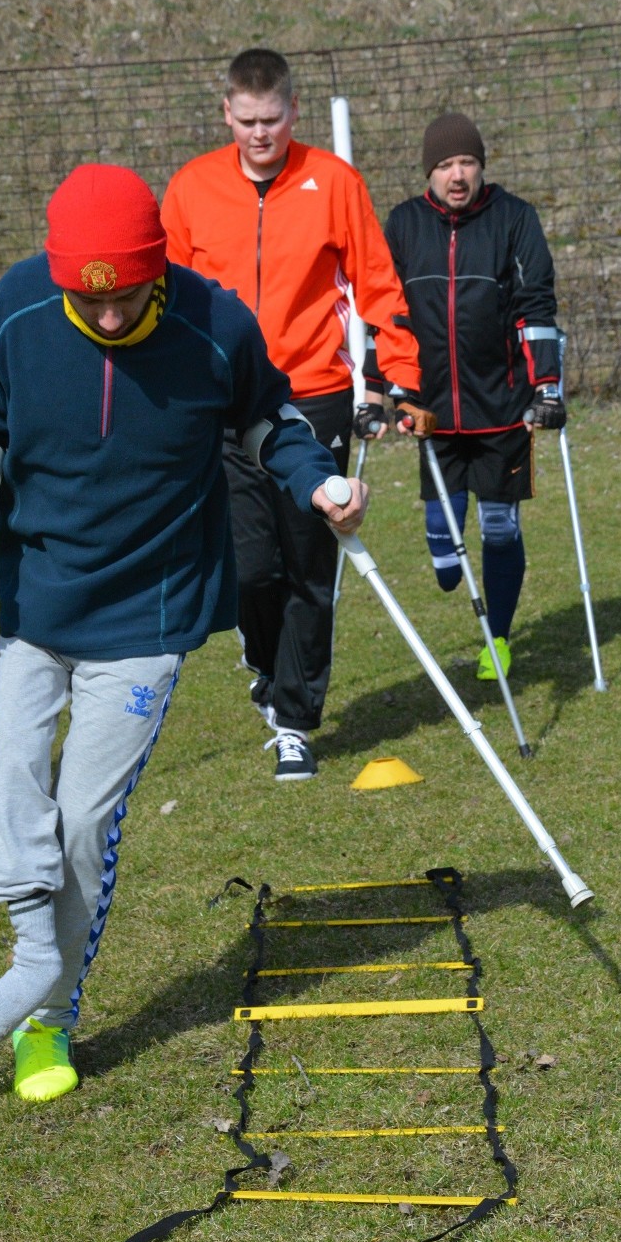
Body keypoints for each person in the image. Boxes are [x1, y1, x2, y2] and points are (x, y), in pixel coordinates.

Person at [0, 163, 367, 1102]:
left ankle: (49, 1013)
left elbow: (271, 419)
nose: (107, 319)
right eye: (88, 300)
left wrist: (318, 480)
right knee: (10, 775)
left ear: (158, 265)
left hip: (148, 619)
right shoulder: (16, 310)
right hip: (40, 604)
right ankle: (35, 948)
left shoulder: (214, 323)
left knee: (82, 825)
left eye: (126, 299)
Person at [161, 47, 420, 781]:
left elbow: (376, 281)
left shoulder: (332, 182)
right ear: (226, 115)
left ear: (293, 112)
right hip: (224, 401)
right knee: (249, 566)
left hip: (314, 394)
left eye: (271, 120)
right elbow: (168, 300)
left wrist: (395, 377)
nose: (259, 135)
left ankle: (296, 719)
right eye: (245, 121)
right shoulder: (190, 188)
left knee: (310, 559)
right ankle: (265, 663)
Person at [384, 112, 566, 680]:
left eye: (466, 162)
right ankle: (446, 560)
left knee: (499, 527)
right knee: (444, 551)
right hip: (431, 410)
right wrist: (385, 389)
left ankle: (499, 640)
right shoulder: (405, 224)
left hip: (502, 406)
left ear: (481, 165)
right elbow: (385, 313)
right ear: (428, 174)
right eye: (444, 165)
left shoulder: (515, 219)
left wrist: (547, 389)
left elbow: (536, 309)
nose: (456, 175)